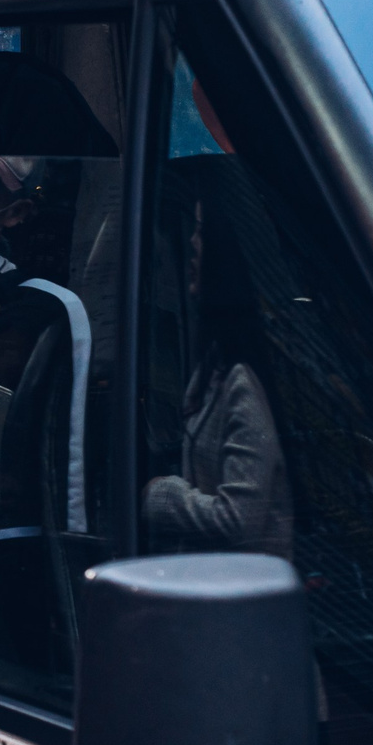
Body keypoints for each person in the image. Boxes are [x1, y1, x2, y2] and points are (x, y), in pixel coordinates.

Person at [142, 158, 293, 559]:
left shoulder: (244, 381)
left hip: (247, 604)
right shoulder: (214, 370)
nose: (192, 243)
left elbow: (239, 521)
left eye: (201, 231)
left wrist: (160, 495)